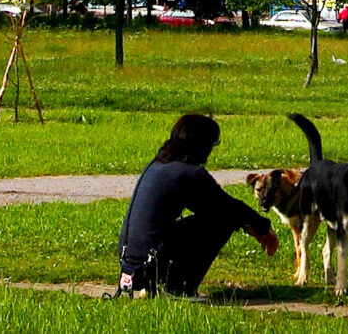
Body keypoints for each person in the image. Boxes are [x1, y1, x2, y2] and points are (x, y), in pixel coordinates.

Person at [118, 112, 278, 298]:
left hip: (129, 264)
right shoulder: (188, 174)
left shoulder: (157, 165)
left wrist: (250, 225)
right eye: (212, 144)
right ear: (202, 145)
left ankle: (156, 285)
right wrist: (263, 228)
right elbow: (228, 208)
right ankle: (176, 287)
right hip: (149, 265)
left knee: (218, 215)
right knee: (222, 220)